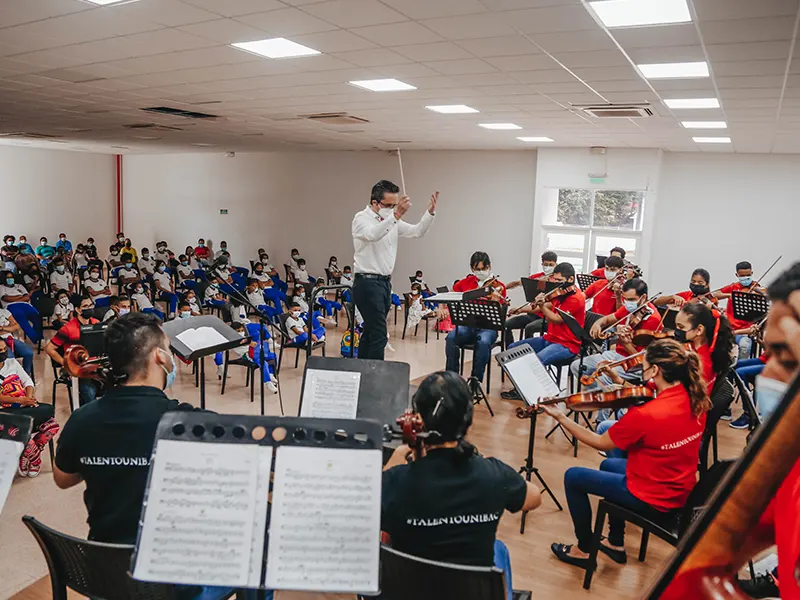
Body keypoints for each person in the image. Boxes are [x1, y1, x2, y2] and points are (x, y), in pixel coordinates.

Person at [546, 338, 710, 568]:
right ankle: (615, 543)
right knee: (608, 466)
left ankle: (583, 550)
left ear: (656, 370)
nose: (640, 366)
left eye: (644, 363)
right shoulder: (695, 397)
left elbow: (601, 442)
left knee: (573, 477)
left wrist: (561, 417)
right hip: (680, 486)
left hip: (655, 496)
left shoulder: (647, 413)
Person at [382, 372, 541, 600]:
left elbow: (369, 511)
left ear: (420, 421)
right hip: (470, 592)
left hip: (410, 590)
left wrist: (401, 453)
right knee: (499, 549)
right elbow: (534, 498)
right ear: (468, 420)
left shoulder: (396, 481)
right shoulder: (494, 475)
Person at [52, 313, 192, 542]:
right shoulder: (188, 422)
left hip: (105, 563)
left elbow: (63, 479)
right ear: (160, 357)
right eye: (168, 349)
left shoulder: (82, 420)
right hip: (165, 558)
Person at [352, 180, 438, 360]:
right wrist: (396, 215)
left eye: (394, 206)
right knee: (379, 335)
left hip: (384, 283)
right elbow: (373, 235)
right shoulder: (361, 218)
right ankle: (376, 380)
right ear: (375, 202)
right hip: (367, 283)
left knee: (370, 332)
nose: (392, 210)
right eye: (388, 205)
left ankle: (362, 372)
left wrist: (429, 213)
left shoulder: (391, 220)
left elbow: (417, 231)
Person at [502, 263, 586, 400]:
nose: (556, 284)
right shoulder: (561, 293)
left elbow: (556, 319)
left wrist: (541, 305)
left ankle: (534, 395)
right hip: (550, 339)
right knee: (513, 349)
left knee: (537, 361)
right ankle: (522, 387)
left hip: (567, 345)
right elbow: (542, 307)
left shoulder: (576, 298)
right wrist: (520, 309)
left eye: (559, 281)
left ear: (570, 279)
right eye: (555, 280)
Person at [573, 278, 663, 392]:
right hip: (616, 355)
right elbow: (609, 319)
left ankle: (605, 402)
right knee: (576, 366)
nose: (627, 303)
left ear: (643, 297)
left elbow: (642, 361)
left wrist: (626, 344)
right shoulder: (629, 308)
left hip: (634, 364)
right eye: (625, 299)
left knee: (604, 378)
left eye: (631, 299)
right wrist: (598, 324)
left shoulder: (653, 319)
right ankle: (601, 399)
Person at [444, 251, 506, 390]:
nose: (480, 272)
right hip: (468, 325)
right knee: (451, 338)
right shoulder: (465, 283)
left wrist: (497, 303)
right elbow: (451, 294)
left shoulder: (498, 285)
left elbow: (502, 311)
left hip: (488, 327)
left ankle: (475, 382)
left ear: (489, 267)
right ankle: (452, 379)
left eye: (483, 269)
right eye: (477, 269)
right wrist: (442, 307)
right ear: (472, 269)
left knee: (483, 342)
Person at [0, 338, 59, 477]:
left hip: (23, 406)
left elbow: (28, 381)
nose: (3, 353)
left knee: (52, 422)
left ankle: (27, 455)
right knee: (21, 430)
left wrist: (29, 398)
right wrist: (20, 400)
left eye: (4, 349)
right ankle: (35, 459)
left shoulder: (11, 362)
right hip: (4, 411)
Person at [45, 296, 101, 406]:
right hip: (77, 368)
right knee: (89, 391)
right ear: (78, 310)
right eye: (85, 306)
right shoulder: (67, 328)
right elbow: (49, 349)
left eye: (91, 305)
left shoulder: (96, 323)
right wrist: (65, 364)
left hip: (95, 366)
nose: (89, 308)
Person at [674, 301, 735, 394]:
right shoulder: (703, 349)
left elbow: (694, 397)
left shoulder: (702, 363)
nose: (676, 331)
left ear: (699, 330)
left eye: (681, 327)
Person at [713, 261, 767, 360]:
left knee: (745, 346)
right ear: (737, 275)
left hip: (745, 332)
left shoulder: (756, 288)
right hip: (729, 330)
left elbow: (767, 295)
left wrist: (759, 293)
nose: (746, 278)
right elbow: (715, 294)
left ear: (752, 273)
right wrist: (729, 295)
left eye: (748, 275)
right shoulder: (734, 287)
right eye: (742, 276)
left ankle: (739, 370)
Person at [504, 251, 558, 343]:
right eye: (545, 264)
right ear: (542, 264)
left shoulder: (557, 281)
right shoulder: (537, 277)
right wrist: (503, 288)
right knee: (506, 324)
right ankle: (510, 350)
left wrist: (520, 310)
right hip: (532, 315)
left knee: (530, 328)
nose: (548, 267)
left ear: (556, 265)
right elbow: (518, 283)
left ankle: (528, 353)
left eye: (551, 265)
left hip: (546, 318)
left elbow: (544, 306)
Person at [0, 303, 36, 375]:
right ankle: (12, 379)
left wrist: (3, 328)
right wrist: (9, 327)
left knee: (28, 353)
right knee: (9, 357)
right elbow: (12, 327)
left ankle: (26, 376)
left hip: (9, 338)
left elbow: (16, 326)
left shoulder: (4, 312)